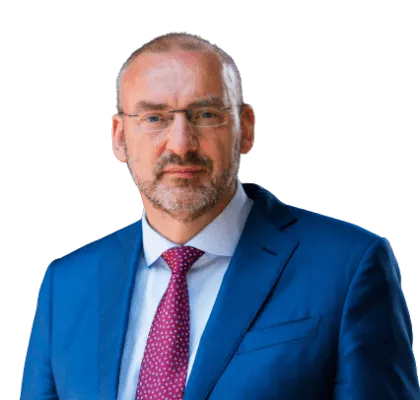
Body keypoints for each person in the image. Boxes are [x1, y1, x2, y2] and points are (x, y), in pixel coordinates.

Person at [20, 31, 420, 399]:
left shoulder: (348, 267)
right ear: (120, 138)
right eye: (154, 118)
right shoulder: (66, 284)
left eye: (206, 115)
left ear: (245, 129)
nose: (181, 144)